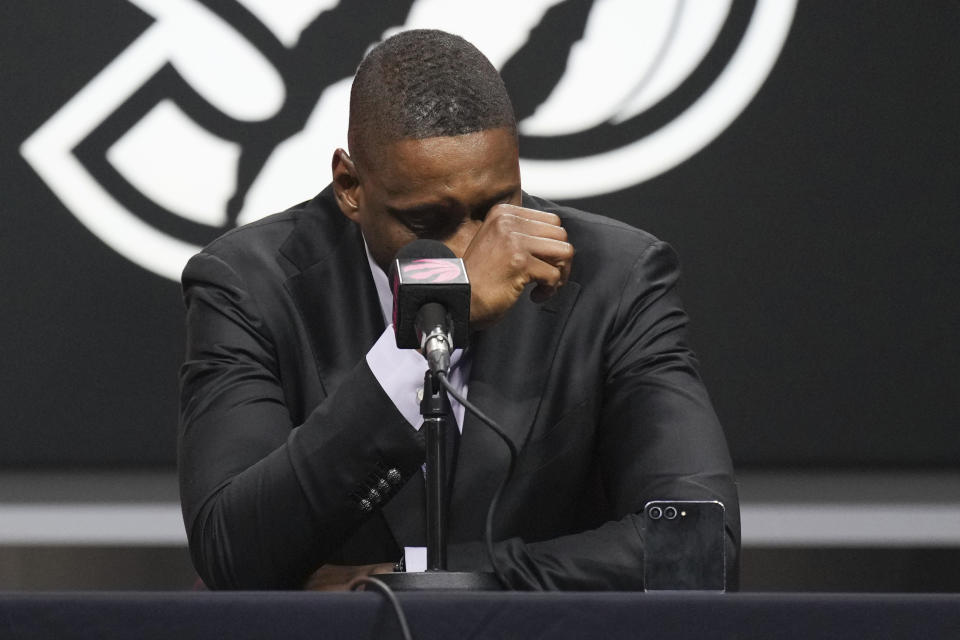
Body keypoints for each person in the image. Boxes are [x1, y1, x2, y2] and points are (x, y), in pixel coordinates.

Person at [178, 29, 739, 591]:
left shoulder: (613, 277)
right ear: (350, 185)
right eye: (426, 223)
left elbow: (698, 544)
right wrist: (437, 327)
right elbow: (231, 551)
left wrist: (424, 579)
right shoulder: (249, 283)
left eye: (500, 206)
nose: (476, 250)